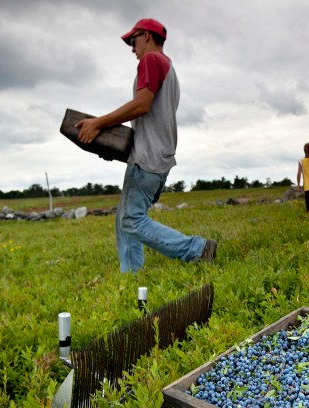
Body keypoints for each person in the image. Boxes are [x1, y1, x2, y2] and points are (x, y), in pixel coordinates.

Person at [75, 18, 216, 272]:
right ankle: (130, 273)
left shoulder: (151, 60)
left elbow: (142, 105)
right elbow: (150, 119)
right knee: (125, 220)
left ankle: (196, 249)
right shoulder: (168, 67)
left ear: (147, 36)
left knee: (131, 220)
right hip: (154, 154)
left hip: (148, 158)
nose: (131, 47)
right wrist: (113, 146)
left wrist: (98, 123)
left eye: (133, 39)